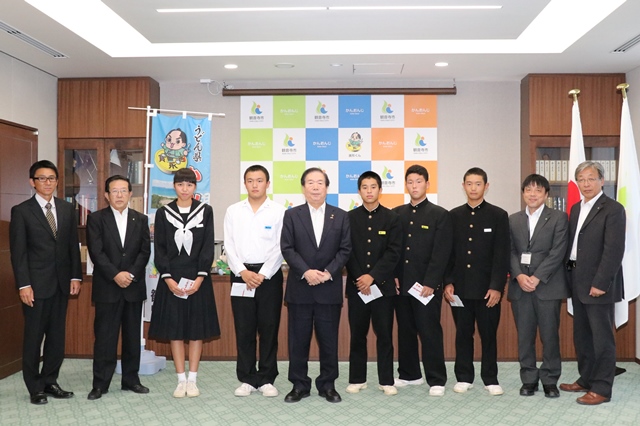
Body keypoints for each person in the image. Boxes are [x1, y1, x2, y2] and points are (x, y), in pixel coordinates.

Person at [10, 160, 82, 405]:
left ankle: (50, 381)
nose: (47, 182)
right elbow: (18, 253)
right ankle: (35, 387)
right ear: (32, 182)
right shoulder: (22, 211)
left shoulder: (66, 209)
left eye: (51, 178)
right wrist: (24, 285)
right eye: (42, 178)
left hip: (61, 284)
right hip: (35, 286)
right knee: (34, 338)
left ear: (57, 181)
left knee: (56, 337)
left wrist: (75, 276)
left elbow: (72, 246)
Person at [280, 167, 351, 403]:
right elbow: (287, 248)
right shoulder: (292, 215)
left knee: (329, 341)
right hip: (300, 288)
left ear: (327, 187)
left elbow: (345, 250)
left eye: (320, 182)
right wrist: (306, 272)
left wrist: (328, 273)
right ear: (303, 188)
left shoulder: (340, 216)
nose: (315, 187)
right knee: (298, 341)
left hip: (328, 288)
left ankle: (327, 385)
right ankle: (299, 385)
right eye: (310, 182)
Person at [148, 168, 220, 398]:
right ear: (174, 186)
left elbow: (207, 246)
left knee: (196, 331)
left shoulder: (205, 211)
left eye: (189, 185)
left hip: (198, 278)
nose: (185, 189)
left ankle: (193, 379)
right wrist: (168, 279)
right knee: (175, 330)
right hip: (172, 278)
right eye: (180, 184)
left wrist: (199, 278)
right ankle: (180, 380)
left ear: (195, 187)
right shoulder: (163, 213)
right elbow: (159, 248)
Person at [559, 161, 625, 405]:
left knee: (602, 339)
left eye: (591, 178)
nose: (586, 183)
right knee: (583, 336)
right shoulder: (576, 208)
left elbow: (614, 250)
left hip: (598, 284)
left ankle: (602, 388)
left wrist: (601, 282)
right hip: (577, 280)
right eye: (581, 179)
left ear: (602, 181)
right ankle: (586, 379)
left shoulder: (613, 209)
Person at [444, 167, 510, 396]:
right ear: (463, 186)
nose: (473, 188)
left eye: (478, 184)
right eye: (469, 184)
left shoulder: (498, 215)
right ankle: (464, 377)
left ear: (486, 186)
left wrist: (497, 287)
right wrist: (448, 282)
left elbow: (502, 255)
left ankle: (490, 378)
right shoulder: (453, 216)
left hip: (487, 290)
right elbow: (448, 254)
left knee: (488, 335)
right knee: (463, 334)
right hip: (460, 288)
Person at [85, 175, 151, 400]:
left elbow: (144, 252)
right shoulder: (96, 219)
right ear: (107, 195)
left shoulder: (140, 219)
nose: (119, 195)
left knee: (132, 337)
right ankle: (100, 384)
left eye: (124, 190)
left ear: (131, 194)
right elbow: (96, 252)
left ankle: (131, 380)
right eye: (115, 191)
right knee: (105, 338)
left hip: (133, 287)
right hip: (107, 287)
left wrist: (130, 274)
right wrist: (115, 274)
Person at [224, 165, 286, 398]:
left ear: (267, 184)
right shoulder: (233, 211)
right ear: (245, 184)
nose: (255, 185)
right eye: (250, 180)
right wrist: (242, 271)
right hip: (241, 276)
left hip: (268, 276)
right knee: (244, 329)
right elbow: (229, 245)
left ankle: (267, 378)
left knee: (269, 328)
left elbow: (282, 245)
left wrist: (263, 273)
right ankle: (247, 378)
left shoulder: (279, 211)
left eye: (259, 180)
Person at [392, 164, 452, 397]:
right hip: (402, 284)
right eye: (410, 182)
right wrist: (393, 276)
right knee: (405, 330)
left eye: (418, 181)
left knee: (429, 331)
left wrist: (431, 282)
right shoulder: (397, 213)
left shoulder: (439, 214)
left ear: (427, 184)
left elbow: (441, 252)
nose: (414, 186)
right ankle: (409, 374)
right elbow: (393, 250)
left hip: (426, 287)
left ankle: (436, 378)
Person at [508, 174, 569, 398]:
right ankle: (529, 379)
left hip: (548, 286)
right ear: (523, 193)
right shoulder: (513, 219)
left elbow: (558, 251)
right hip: (520, 287)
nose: (532, 194)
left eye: (538, 190)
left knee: (549, 336)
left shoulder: (559, 218)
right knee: (524, 336)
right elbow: (509, 251)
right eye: (528, 190)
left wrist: (537, 277)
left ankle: (550, 380)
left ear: (546, 194)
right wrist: (519, 275)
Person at [345, 171, 402, 396]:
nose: (369, 191)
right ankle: (357, 378)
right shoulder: (349, 218)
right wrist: (361, 277)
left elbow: (393, 252)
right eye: (365, 187)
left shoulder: (392, 218)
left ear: (380, 189)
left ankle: (386, 380)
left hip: (383, 288)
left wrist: (373, 276)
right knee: (357, 335)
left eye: (373, 187)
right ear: (359, 191)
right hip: (357, 287)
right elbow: (347, 251)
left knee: (385, 335)